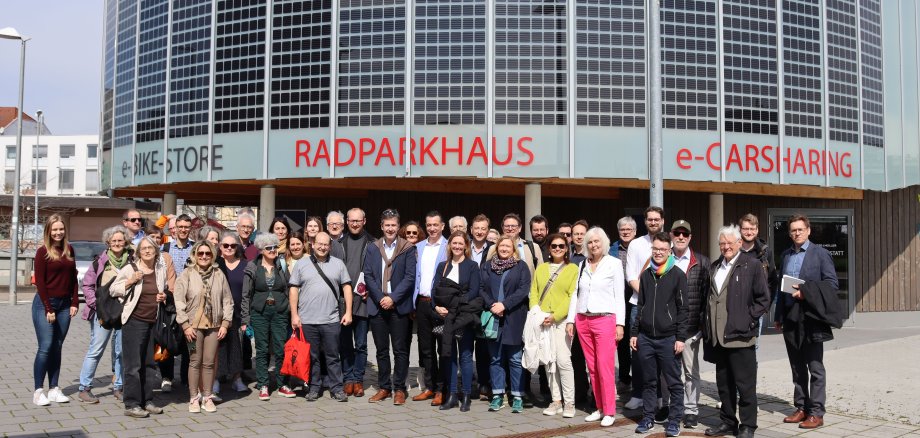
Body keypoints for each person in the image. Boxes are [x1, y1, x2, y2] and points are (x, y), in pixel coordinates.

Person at [703, 226, 771, 438]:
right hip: (719, 338)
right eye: (722, 243)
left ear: (739, 243)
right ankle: (728, 422)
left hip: (741, 336)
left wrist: (748, 319)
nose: (726, 247)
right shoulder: (715, 266)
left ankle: (748, 425)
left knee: (745, 385)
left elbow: (764, 299)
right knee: (724, 385)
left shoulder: (752, 265)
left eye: (730, 243)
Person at [775, 214, 840, 431]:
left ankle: (816, 413)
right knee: (797, 367)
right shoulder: (786, 255)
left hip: (811, 318)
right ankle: (802, 407)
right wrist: (778, 315)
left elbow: (832, 284)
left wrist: (806, 292)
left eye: (800, 229)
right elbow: (781, 287)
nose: (797, 233)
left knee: (815, 367)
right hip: (790, 318)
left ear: (808, 230)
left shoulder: (821, 254)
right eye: (793, 230)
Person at [565, 227, 625, 427]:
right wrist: (571, 320)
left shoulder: (614, 264)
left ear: (604, 243)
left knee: (604, 367)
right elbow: (576, 294)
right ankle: (599, 408)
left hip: (605, 319)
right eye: (590, 242)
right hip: (583, 319)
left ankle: (609, 410)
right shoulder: (582, 264)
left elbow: (619, 296)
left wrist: (620, 324)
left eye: (597, 241)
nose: (593, 245)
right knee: (592, 367)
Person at [631, 232, 688, 437]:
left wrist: (680, 337)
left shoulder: (678, 275)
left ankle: (674, 421)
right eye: (655, 249)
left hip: (668, 338)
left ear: (669, 251)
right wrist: (635, 333)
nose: (658, 252)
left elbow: (683, 309)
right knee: (649, 382)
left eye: (663, 249)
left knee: (674, 383)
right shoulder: (646, 275)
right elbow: (641, 305)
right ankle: (648, 418)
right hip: (646, 337)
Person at [290, 232, 354, 402]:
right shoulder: (301, 264)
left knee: (333, 356)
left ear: (330, 246)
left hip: (331, 320)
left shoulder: (338, 264)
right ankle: (313, 388)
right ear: (313, 244)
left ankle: (337, 388)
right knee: (312, 357)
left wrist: (348, 312)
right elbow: (293, 289)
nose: (322, 247)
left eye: (326, 244)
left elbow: (347, 287)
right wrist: (294, 315)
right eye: (319, 244)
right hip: (307, 320)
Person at [110, 236, 169, 418]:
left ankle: (147, 400)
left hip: (152, 321)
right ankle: (132, 404)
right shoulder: (130, 268)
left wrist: (163, 296)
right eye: (143, 248)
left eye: (150, 248)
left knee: (149, 364)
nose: (147, 251)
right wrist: (130, 281)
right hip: (134, 321)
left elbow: (163, 289)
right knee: (133, 365)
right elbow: (113, 289)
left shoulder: (160, 269)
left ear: (156, 251)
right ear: (138, 252)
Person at [364, 208, 417, 405]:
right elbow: (368, 275)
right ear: (381, 226)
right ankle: (384, 387)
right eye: (387, 225)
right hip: (378, 305)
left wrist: (393, 298)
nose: (390, 228)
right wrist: (381, 298)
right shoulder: (373, 248)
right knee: (381, 350)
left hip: (398, 305)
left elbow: (410, 277)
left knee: (400, 350)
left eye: (393, 225)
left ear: (398, 226)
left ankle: (400, 388)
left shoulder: (407, 248)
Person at [174, 241, 234, 413]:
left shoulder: (219, 274)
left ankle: (207, 396)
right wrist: (185, 325)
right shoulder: (187, 274)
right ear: (195, 255)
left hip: (214, 325)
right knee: (195, 361)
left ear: (212, 255)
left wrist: (225, 323)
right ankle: (194, 397)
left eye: (208, 253)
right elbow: (179, 301)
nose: (204, 256)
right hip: (193, 326)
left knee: (209, 362)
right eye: (200, 253)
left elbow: (227, 300)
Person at [77, 226, 131, 403]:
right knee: (96, 349)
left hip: (124, 312)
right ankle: (84, 388)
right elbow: (87, 285)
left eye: (120, 240)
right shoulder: (100, 261)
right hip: (103, 312)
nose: (117, 243)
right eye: (113, 240)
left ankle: (119, 387)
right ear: (108, 242)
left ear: (125, 242)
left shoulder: (132, 260)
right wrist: (96, 305)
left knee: (121, 352)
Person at [31, 214, 79, 407]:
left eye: (61, 229)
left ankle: (54, 389)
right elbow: (40, 283)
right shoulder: (42, 252)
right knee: (46, 346)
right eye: (55, 229)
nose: (58, 232)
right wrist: (48, 308)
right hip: (45, 304)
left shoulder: (69, 250)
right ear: (48, 231)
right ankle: (38, 391)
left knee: (57, 346)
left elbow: (73, 278)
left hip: (65, 305)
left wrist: (75, 302)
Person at [481, 235, 532, 413]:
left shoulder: (521, 266)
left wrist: (504, 305)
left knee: (515, 359)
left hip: (514, 317)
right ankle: (497, 395)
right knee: (495, 359)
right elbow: (481, 288)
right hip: (493, 318)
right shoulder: (487, 266)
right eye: (501, 246)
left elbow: (524, 290)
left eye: (508, 246)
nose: (504, 249)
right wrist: (492, 305)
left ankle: (517, 395)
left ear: (513, 249)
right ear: (496, 248)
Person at [240, 233, 294, 401]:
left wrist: (291, 311)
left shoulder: (281, 265)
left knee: (280, 348)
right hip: (260, 313)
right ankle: (263, 384)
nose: (272, 250)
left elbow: (288, 289)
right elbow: (246, 295)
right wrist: (245, 319)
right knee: (262, 349)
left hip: (280, 312)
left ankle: (282, 383)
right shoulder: (252, 267)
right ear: (261, 250)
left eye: (275, 247)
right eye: (268, 248)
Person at [432, 231, 482, 411]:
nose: (457, 246)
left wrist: (455, 304)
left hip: (463, 316)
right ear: (450, 245)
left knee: (466, 356)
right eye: (455, 243)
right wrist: (436, 307)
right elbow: (435, 290)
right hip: (446, 317)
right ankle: (452, 395)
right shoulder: (442, 266)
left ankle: (466, 395)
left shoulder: (472, 266)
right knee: (449, 355)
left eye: (461, 244)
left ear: (466, 246)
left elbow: (474, 291)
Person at [669, 220, 710, 430]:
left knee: (690, 372)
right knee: (669, 371)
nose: (681, 237)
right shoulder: (663, 259)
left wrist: (702, 325)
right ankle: (673, 407)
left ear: (690, 237)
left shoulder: (701, 262)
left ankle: (691, 410)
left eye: (685, 234)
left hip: (691, 328)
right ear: (671, 235)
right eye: (677, 233)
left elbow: (707, 296)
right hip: (667, 328)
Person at [531, 233, 578, 418]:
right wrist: (537, 313)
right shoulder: (541, 268)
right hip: (543, 319)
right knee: (549, 361)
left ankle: (569, 402)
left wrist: (555, 315)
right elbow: (534, 292)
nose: (557, 249)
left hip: (562, 320)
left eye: (561, 246)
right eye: (554, 246)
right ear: (549, 249)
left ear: (566, 249)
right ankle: (556, 400)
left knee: (563, 360)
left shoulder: (573, 269)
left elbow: (572, 296)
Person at [330, 208, 376, 398]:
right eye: (351, 220)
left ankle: (358, 380)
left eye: (358, 220)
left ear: (364, 221)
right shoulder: (338, 244)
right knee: (345, 344)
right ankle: (348, 378)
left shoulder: (373, 243)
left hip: (363, 301)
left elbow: (377, 272)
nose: (355, 224)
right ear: (347, 222)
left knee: (361, 344)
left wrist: (372, 290)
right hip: (342, 302)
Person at [624, 206, 665, 410]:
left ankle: (659, 395)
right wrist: (648, 295)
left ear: (662, 221)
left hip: (664, 307)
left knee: (661, 351)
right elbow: (631, 275)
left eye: (657, 219)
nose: (653, 222)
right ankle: (638, 393)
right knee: (638, 351)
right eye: (650, 219)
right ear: (645, 221)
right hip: (638, 304)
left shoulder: (669, 242)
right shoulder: (636, 244)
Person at [413, 211, 449, 405]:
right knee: (425, 348)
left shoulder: (449, 246)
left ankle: (442, 390)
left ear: (442, 226)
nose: (432, 228)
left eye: (436, 225)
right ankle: (430, 387)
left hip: (441, 306)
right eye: (429, 225)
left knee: (443, 348)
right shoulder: (418, 247)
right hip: (422, 303)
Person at [160, 213, 195, 393]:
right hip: (170, 300)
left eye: (186, 227)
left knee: (189, 338)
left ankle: (186, 377)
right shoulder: (165, 248)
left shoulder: (196, 248)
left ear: (190, 229)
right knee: (167, 338)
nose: (182, 230)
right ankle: (166, 377)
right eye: (180, 227)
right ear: (174, 229)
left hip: (190, 301)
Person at [215, 232, 248, 395]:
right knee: (218, 347)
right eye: (225, 245)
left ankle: (237, 378)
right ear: (220, 246)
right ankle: (215, 379)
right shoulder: (215, 264)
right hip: (218, 312)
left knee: (237, 347)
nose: (229, 248)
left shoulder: (245, 265)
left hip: (239, 313)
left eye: (233, 245)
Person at [609, 216, 636, 388]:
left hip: (636, 297)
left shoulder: (640, 247)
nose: (625, 232)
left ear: (635, 231)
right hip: (617, 299)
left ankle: (639, 378)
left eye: (629, 229)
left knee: (636, 337)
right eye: (622, 229)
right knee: (621, 339)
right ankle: (624, 377)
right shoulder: (611, 250)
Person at [469, 214, 493, 399]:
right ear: (471, 229)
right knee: (466, 344)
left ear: (488, 231)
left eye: (483, 229)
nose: (479, 232)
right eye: (476, 228)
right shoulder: (463, 247)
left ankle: (484, 383)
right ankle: (467, 383)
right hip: (466, 303)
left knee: (484, 346)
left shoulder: (493, 249)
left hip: (485, 303)